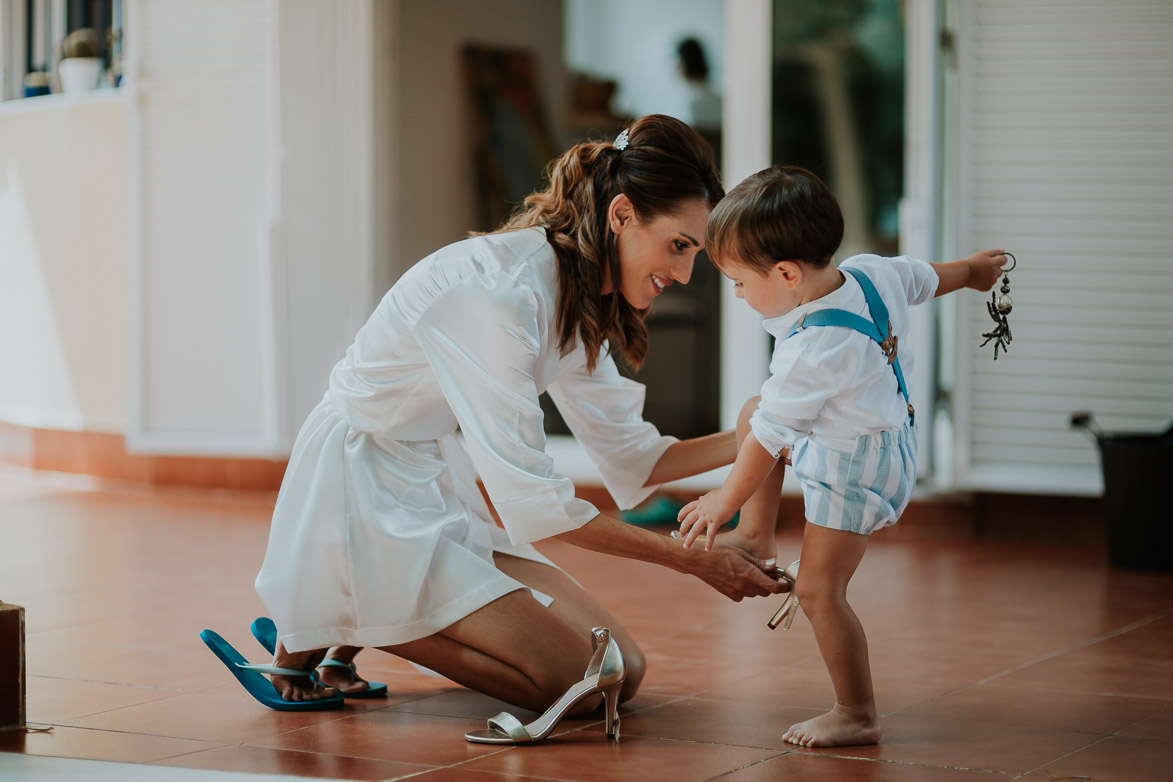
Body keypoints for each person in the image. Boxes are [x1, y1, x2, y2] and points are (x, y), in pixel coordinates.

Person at [204, 115, 783, 738]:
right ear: (621, 215)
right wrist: (696, 562)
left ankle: (341, 614)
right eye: (679, 244)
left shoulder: (580, 294)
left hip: (427, 480)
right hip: (358, 489)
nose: (686, 273)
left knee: (621, 672)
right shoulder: (497, 295)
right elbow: (536, 509)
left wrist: (751, 433)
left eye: (694, 252)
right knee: (578, 684)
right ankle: (339, 615)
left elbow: (633, 461)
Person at [676, 164, 1007, 748]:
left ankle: (856, 712)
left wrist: (724, 498)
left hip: (854, 468)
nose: (738, 295)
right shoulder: (867, 272)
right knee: (757, 408)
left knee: (818, 592)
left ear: (785, 273)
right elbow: (930, 277)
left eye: (739, 282)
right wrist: (976, 272)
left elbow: (772, 441)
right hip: (878, 440)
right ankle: (757, 539)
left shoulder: (813, 349)